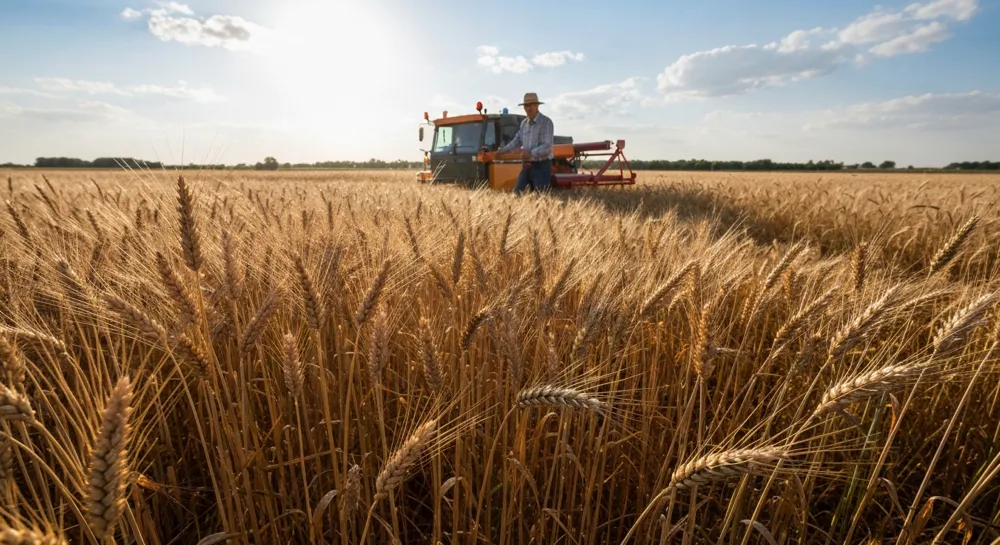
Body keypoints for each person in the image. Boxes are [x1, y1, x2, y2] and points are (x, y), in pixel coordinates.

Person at [496, 92, 554, 196]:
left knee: (540, 199)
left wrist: (531, 153)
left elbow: (547, 147)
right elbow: (516, 140)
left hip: (541, 166)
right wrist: (502, 151)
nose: (528, 108)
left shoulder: (546, 122)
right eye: (526, 106)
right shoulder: (524, 123)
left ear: (537, 106)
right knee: (516, 196)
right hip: (526, 166)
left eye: (531, 105)